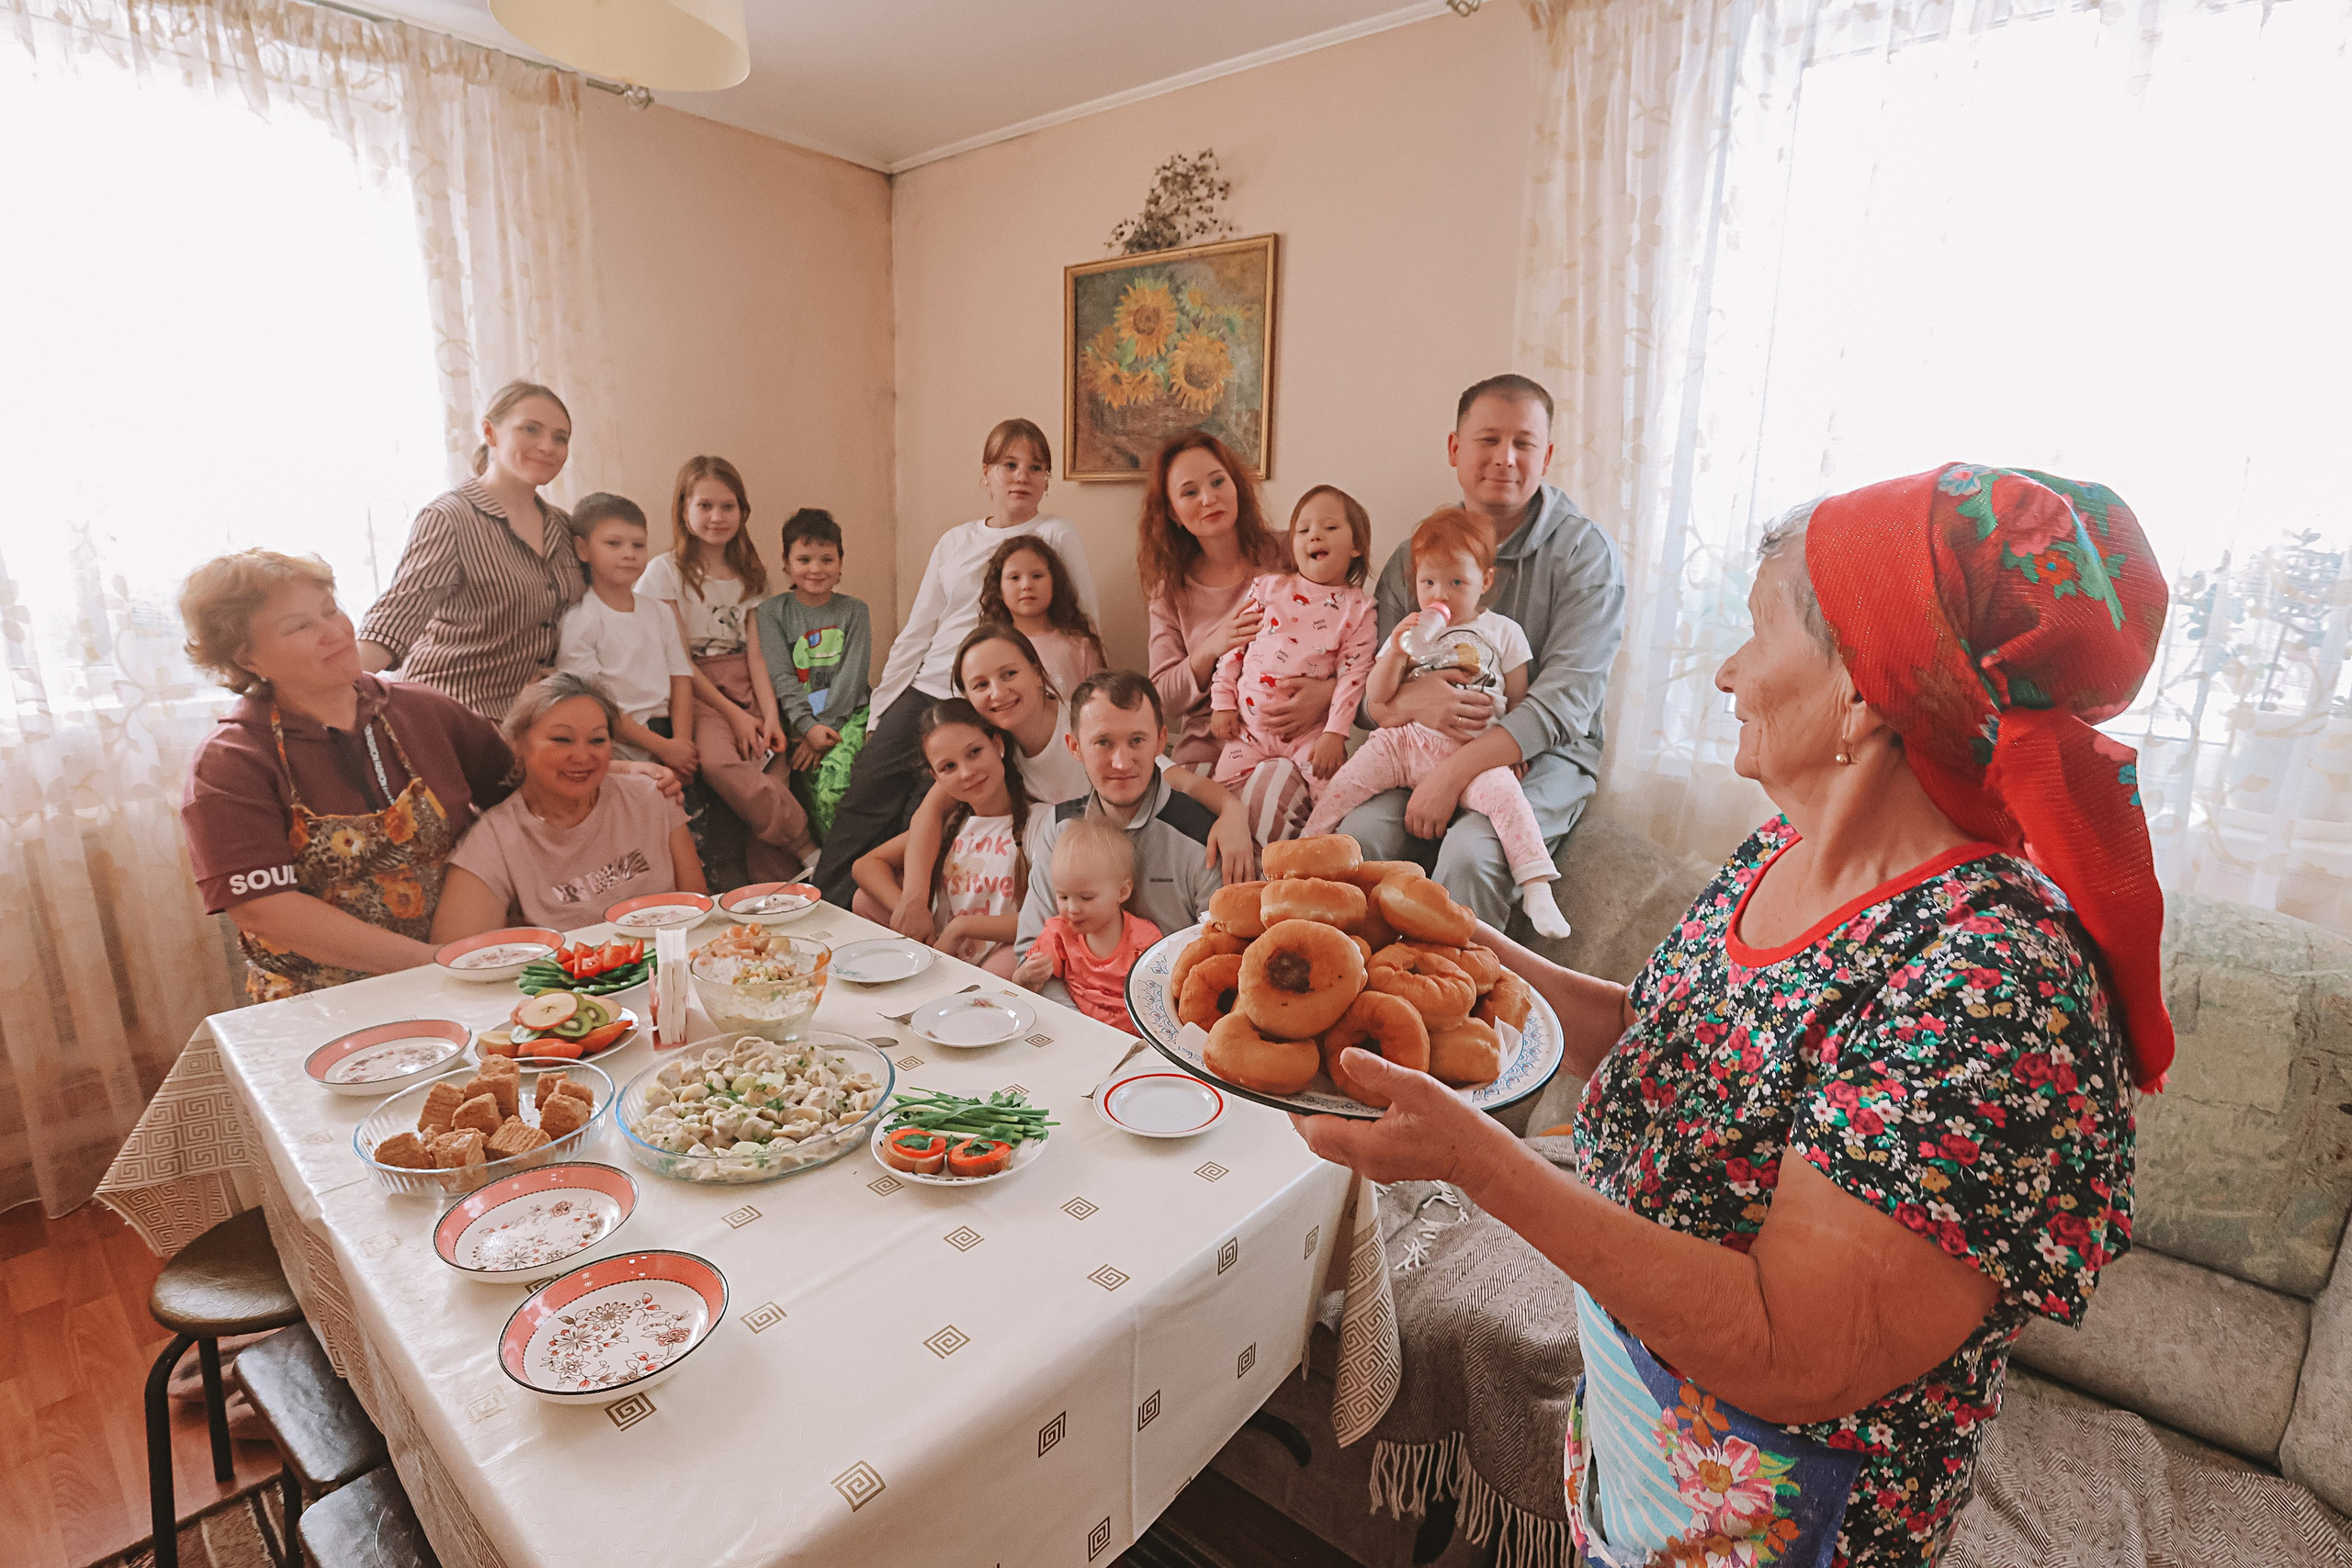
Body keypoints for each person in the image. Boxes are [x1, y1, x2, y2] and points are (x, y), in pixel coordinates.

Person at [1297, 465, 2165, 1568]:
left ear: (1864, 682)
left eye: (1757, 632)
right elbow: (1676, 1040)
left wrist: (1478, 1163)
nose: (1724, 672)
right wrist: (1461, 945)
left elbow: (1789, 1347)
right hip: (1641, 1444)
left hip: (1787, 1526)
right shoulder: (1784, 851)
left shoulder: (1991, 984)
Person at [1338, 376, 1625, 928]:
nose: (1506, 459)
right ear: (1454, 449)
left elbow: (1566, 704)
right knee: (1357, 840)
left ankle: (1461, 1008)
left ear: (1548, 456)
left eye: (1524, 443)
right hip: (1418, 743)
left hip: (1539, 756)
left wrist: (1449, 779)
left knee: (1472, 853)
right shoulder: (1417, 553)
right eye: (1488, 440)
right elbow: (1365, 696)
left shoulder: (1585, 555)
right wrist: (1414, 703)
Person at [815, 418, 1097, 905]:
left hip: (984, 697)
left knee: (927, 805)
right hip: (926, 687)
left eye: (1035, 467)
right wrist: (882, 711)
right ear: (986, 473)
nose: (1021, 476)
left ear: (1047, 480)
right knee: (866, 788)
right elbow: (918, 629)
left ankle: (911, 915)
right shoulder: (955, 541)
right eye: (1008, 464)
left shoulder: (1055, 533)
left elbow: (1083, 621)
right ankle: (821, 902)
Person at [886, 626, 1255, 945]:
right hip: (1049, 885)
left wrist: (1231, 810)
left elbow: (1178, 780)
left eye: (1009, 674)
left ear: (1036, 671)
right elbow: (930, 811)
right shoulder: (991, 750)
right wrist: (915, 900)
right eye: (980, 685)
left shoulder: (1090, 729)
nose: (997, 693)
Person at [1304, 508, 1570, 935]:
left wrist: (1512, 751)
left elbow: (1519, 700)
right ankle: (1306, 854)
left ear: (1484, 582)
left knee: (1509, 802)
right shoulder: (1410, 633)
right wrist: (1397, 650)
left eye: (1455, 583)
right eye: (1428, 583)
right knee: (1347, 785)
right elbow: (1377, 697)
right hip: (1406, 742)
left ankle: (1537, 885)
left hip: (1472, 751)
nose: (1439, 595)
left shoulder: (1503, 632)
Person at [357, 380, 587, 719]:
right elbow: (391, 626)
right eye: (530, 429)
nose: (547, 446)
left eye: (560, 437)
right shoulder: (450, 518)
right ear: (490, 433)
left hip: (526, 717)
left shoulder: (564, 527)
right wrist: (317, 685)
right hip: (449, 711)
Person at [635, 455, 816, 883]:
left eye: (728, 506)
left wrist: (769, 715)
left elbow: (758, 654)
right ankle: (807, 845)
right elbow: (680, 661)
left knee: (773, 768)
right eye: (705, 506)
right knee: (718, 764)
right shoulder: (665, 572)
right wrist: (734, 716)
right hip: (698, 687)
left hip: (749, 681)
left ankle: (774, 890)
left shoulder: (751, 575)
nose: (717, 517)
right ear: (683, 510)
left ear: (743, 511)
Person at [431, 674, 706, 937]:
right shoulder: (496, 841)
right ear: (518, 744)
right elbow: (458, 959)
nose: (582, 756)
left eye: (597, 739)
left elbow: (698, 910)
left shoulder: (651, 797)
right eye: (562, 740)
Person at [1015, 672, 1223, 988]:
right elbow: (1032, 952)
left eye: (1137, 740)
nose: (1122, 763)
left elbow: (1221, 964)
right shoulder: (1059, 829)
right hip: (1072, 1016)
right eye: (1103, 742)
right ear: (1075, 746)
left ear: (1160, 740)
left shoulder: (1202, 837)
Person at [1208, 484, 1378, 844]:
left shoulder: (1358, 609)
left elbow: (1355, 675)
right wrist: (1222, 702)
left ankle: (1313, 864)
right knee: (1220, 803)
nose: (1315, 534)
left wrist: (1335, 734)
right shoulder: (1268, 589)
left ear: (1356, 545)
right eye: (1303, 529)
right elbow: (1234, 647)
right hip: (1247, 731)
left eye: (1330, 527)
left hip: (1311, 737)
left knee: (1336, 800)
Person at [849, 699, 1030, 976]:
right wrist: (911, 910)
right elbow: (865, 865)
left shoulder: (1039, 823)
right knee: (864, 900)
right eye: (949, 767)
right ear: (936, 778)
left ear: (998, 745)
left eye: (975, 752)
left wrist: (962, 927)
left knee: (1007, 965)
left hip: (997, 951)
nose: (967, 773)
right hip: (938, 943)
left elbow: (1047, 917)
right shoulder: (952, 823)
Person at [1140, 430, 1288, 770]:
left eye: (1218, 482)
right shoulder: (1169, 593)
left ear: (1237, 487)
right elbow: (1160, 698)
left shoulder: (1289, 553)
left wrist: (1323, 697)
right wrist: (1212, 646)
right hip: (1206, 745)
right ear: (1173, 513)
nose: (1208, 498)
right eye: (1190, 492)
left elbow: (1344, 630)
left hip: (1284, 735)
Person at [554, 492, 699, 785]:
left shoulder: (659, 612)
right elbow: (594, 705)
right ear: (583, 549)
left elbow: (681, 677)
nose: (629, 554)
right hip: (617, 744)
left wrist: (680, 744)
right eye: (613, 544)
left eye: (638, 545)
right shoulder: (581, 621)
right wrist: (663, 748)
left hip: (669, 734)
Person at [754, 508, 872, 840]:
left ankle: (849, 863)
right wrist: (808, 728)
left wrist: (827, 728)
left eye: (827, 559)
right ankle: (829, 867)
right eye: (804, 559)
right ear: (787, 563)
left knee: (836, 787)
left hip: (849, 716)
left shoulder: (855, 611)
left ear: (840, 563)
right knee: (810, 796)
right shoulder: (772, 612)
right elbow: (781, 676)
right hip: (800, 723)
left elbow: (853, 675)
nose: (816, 569)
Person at [1012, 817, 1160, 1036]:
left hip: (1135, 1042)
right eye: (1063, 896)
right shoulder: (1058, 934)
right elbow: (1022, 987)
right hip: (1075, 1035)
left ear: (1122, 892)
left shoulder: (1145, 940)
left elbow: (1161, 1004)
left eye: (1086, 898)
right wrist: (1026, 976)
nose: (1072, 908)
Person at [977, 534, 1105, 700]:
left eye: (1037, 576)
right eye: (1014, 577)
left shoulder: (1079, 643)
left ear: (1054, 582)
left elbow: (1098, 705)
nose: (1026, 585)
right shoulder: (989, 648)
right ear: (999, 588)